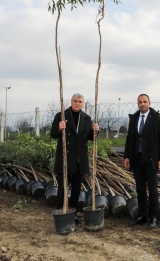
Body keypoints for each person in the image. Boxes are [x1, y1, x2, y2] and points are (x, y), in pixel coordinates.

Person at [50, 93, 100, 222]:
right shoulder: (61, 116)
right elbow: (53, 134)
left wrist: (95, 131)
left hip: (80, 159)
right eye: (75, 101)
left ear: (83, 103)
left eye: (80, 102)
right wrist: (60, 128)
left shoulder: (86, 118)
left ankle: (73, 213)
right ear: (71, 102)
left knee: (77, 188)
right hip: (65, 158)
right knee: (63, 187)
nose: (77, 103)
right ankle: (61, 211)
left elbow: (90, 137)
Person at [123, 94, 160, 229]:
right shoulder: (134, 118)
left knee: (152, 190)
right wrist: (127, 156)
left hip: (151, 160)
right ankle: (142, 215)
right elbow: (130, 139)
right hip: (137, 159)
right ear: (137, 103)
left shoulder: (156, 119)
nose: (142, 104)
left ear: (149, 103)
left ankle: (153, 217)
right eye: (140, 102)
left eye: (144, 102)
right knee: (140, 189)